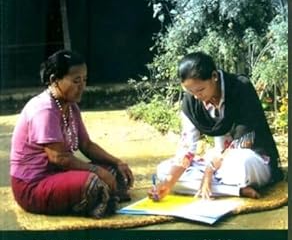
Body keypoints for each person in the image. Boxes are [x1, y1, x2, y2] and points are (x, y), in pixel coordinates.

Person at [10, 50, 134, 218]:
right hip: (32, 185)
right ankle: (95, 198)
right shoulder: (44, 109)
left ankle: (95, 197)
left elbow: (86, 145)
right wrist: (96, 171)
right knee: (94, 183)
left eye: (84, 80)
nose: (82, 86)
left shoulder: (70, 105)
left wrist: (118, 162)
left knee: (114, 171)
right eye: (76, 81)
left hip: (57, 174)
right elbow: (59, 158)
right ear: (54, 80)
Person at [153, 51, 282, 200]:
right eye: (190, 91)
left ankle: (218, 185)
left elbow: (245, 140)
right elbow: (187, 146)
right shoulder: (192, 101)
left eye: (200, 90)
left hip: (249, 159)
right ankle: (236, 190)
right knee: (164, 171)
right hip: (218, 164)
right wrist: (168, 183)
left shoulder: (240, 88)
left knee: (242, 163)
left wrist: (209, 171)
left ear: (214, 76)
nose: (196, 96)